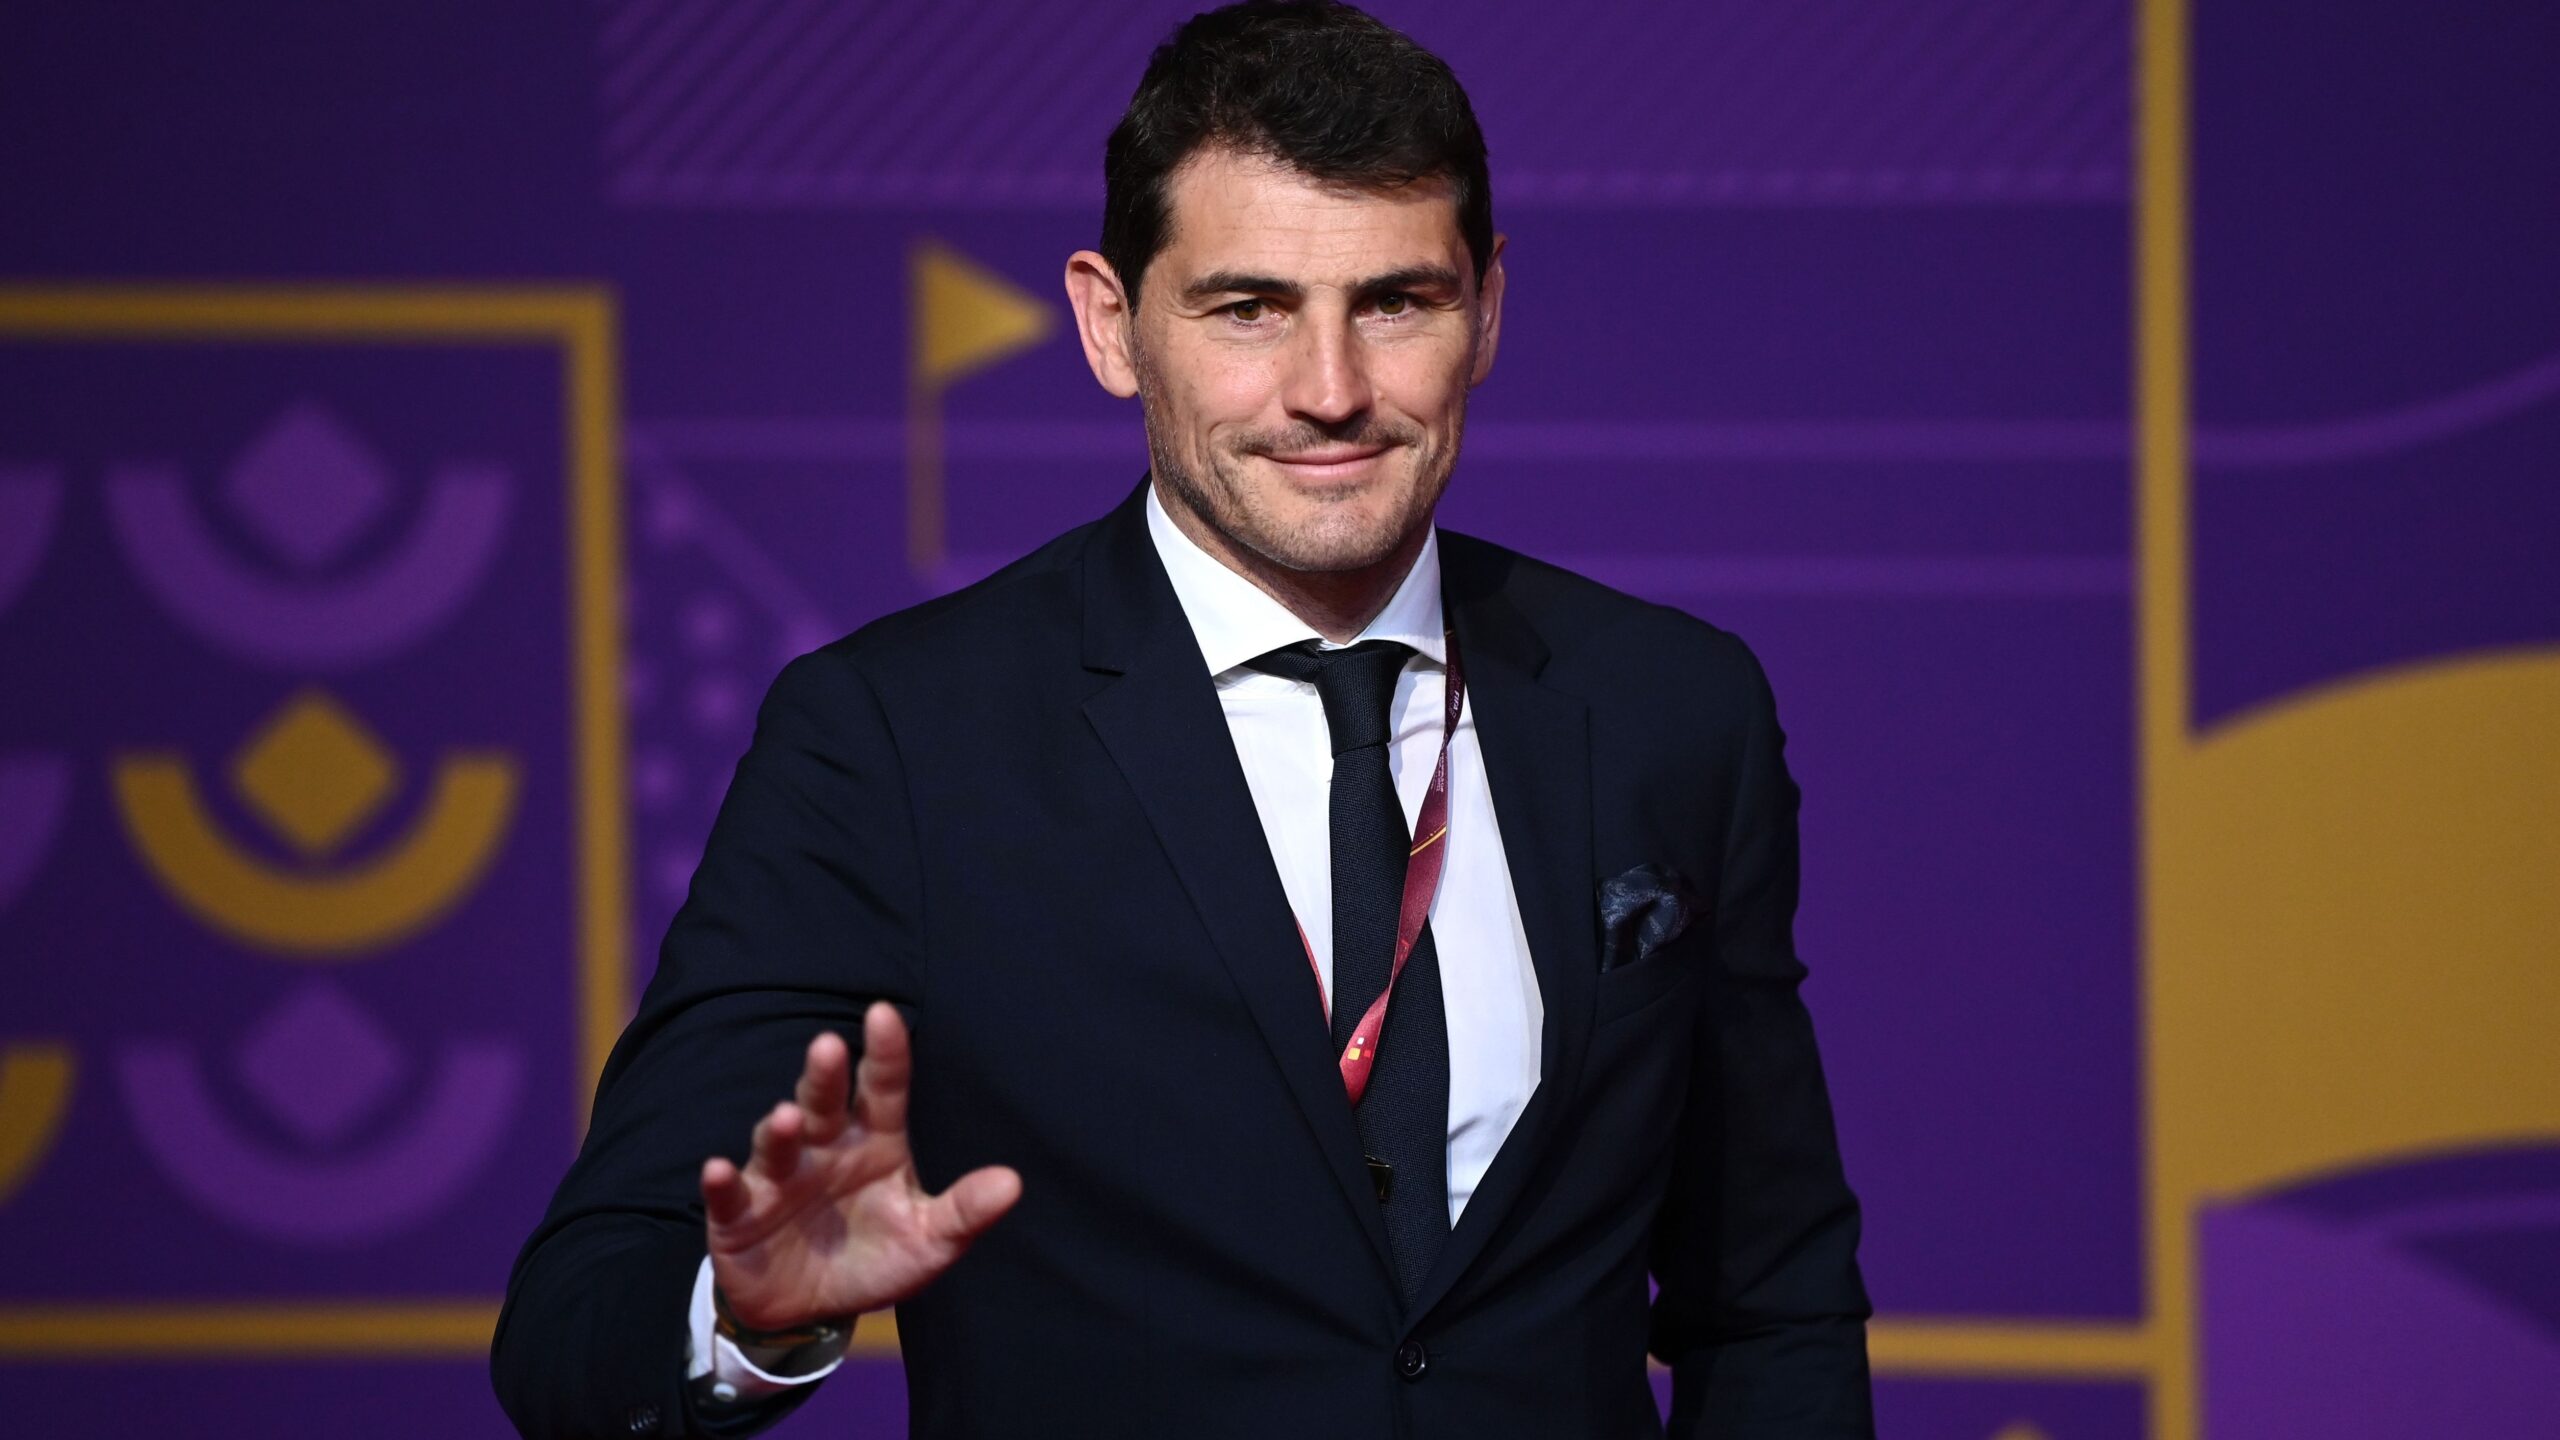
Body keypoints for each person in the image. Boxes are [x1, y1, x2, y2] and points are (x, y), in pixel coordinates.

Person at [492, 4, 1873, 1436]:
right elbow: (578, 1321)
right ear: (1112, 325)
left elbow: (1769, 1301)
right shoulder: (896, 743)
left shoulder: (1669, 708)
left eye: (1397, 302)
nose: (1331, 392)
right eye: (1247, 309)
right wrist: (751, 1320)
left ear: (1488, 310)